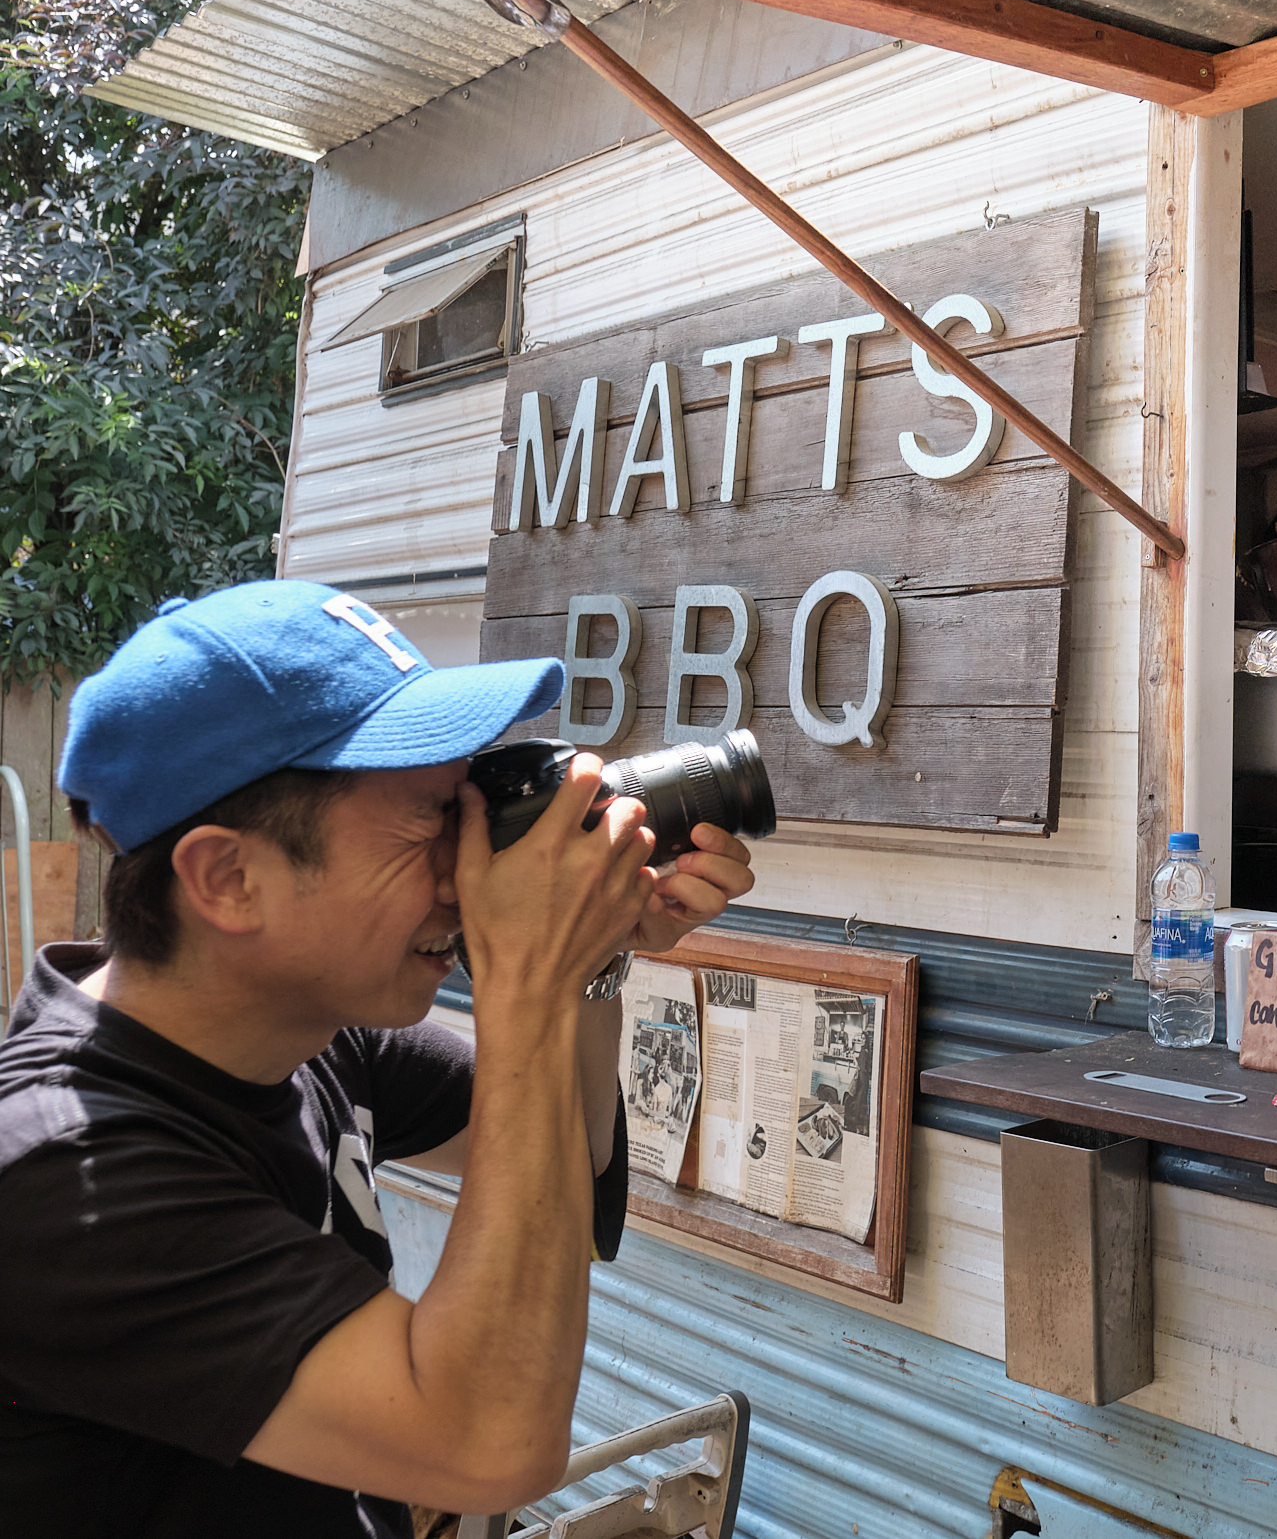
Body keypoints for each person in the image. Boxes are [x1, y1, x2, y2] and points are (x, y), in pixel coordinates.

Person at [0, 581, 756, 1537]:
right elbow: (491, 1442)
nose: (465, 867)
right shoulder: (67, 1176)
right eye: (431, 817)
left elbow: (570, 1159)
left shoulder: (308, 1034)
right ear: (230, 879)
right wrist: (524, 978)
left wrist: (591, 959)